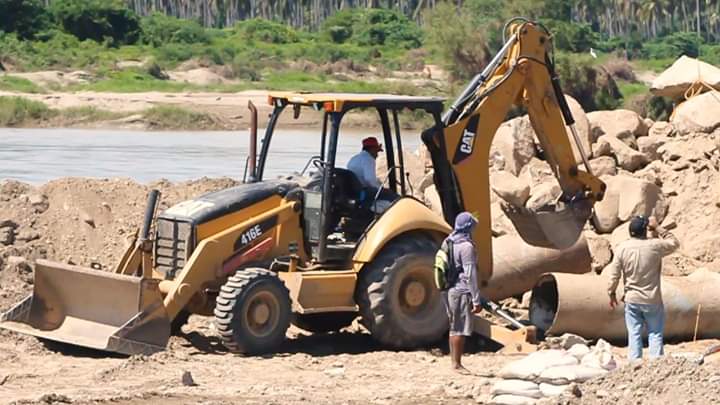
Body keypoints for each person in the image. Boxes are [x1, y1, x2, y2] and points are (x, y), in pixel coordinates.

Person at [607, 215, 679, 361]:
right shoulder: (655, 246)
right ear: (645, 230)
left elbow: (614, 275)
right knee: (655, 333)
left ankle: (634, 366)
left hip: (632, 299)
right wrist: (657, 227)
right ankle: (656, 365)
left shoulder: (622, 248)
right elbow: (674, 243)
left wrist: (611, 292)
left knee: (634, 333)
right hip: (652, 299)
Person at [443, 211, 484, 373]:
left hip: (449, 290)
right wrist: (476, 298)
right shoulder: (466, 247)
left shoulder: (449, 241)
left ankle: (454, 361)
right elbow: (470, 274)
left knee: (454, 327)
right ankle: (456, 364)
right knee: (460, 328)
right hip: (461, 291)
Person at [347, 137, 396, 210]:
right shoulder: (368, 159)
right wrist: (381, 189)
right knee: (394, 197)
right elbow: (370, 179)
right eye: (377, 151)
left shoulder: (353, 158)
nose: (377, 155)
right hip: (365, 193)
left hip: (354, 191)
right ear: (372, 149)